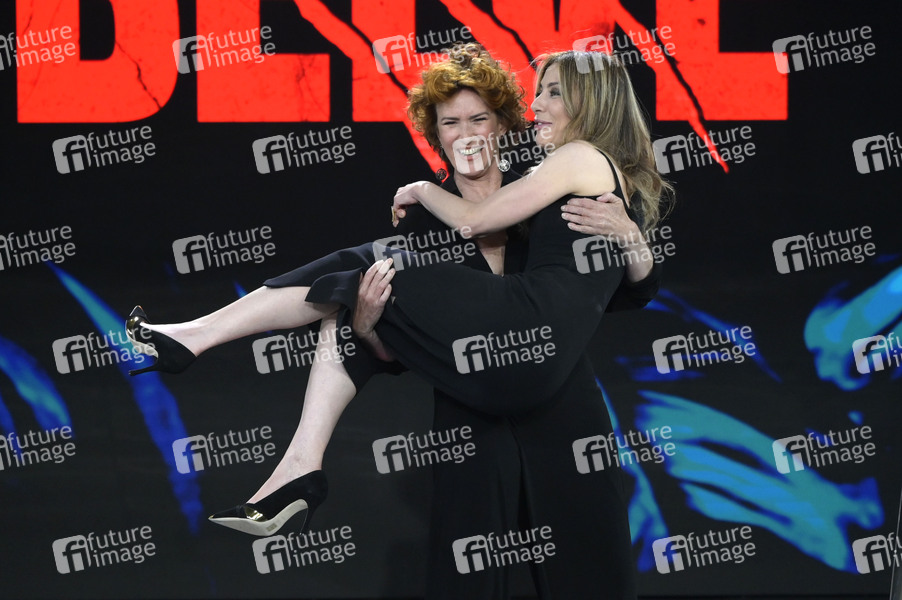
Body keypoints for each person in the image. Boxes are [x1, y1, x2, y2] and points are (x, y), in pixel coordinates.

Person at [128, 46, 667, 598]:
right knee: (358, 290)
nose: (468, 134)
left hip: (561, 411)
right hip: (475, 413)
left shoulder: (546, 188)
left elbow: (626, 292)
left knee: (593, 579)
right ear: (435, 136)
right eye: (451, 123)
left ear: (503, 125)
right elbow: (401, 347)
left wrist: (632, 237)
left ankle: (209, 352)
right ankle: (293, 465)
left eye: (479, 118)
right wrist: (366, 326)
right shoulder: (427, 226)